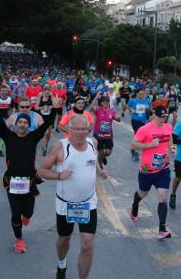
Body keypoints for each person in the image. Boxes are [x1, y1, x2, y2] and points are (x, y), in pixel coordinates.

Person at [38, 115, 107, 279]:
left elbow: (92, 159)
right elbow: (42, 170)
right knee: (64, 239)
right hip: (66, 204)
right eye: (76, 129)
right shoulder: (60, 147)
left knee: (88, 244)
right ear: (69, 130)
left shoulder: (93, 143)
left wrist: (99, 170)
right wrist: (59, 175)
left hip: (88, 203)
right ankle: (62, 263)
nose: (81, 133)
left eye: (84, 129)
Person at [0, 95, 53, 254]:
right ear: (16, 124)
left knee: (28, 213)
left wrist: (57, 109)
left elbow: (47, 124)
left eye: (25, 122)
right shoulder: (9, 136)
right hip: (12, 182)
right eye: (20, 122)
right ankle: (19, 240)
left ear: (28, 125)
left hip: (30, 182)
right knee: (15, 214)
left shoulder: (33, 137)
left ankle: (26, 216)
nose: (23, 124)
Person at [129, 106, 174, 239]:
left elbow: (169, 140)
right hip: (147, 170)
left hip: (163, 168)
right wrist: (149, 145)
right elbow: (133, 145)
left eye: (165, 117)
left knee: (162, 196)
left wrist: (171, 148)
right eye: (161, 117)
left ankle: (162, 229)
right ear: (155, 115)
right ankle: (135, 204)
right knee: (143, 193)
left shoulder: (167, 127)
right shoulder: (145, 129)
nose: (163, 119)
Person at [90, 92, 120, 167]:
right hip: (98, 135)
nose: (106, 103)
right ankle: (100, 164)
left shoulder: (112, 111)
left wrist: (118, 118)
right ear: (101, 103)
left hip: (108, 135)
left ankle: (103, 158)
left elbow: (116, 117)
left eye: (107, 101)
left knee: (108, 152)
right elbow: (91, 106)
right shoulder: (98, 109)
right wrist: (96, 97)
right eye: (104, 101)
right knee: (101, 151)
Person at [127, 88, 152, 161]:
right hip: (135, 120)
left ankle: (134, 149)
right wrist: (131, 110)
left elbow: (151, 110)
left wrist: (148, 109)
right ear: (137, 94)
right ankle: (135, 152)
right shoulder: (133, 100)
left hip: (143, 121)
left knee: (140, 137)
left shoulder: (147, 101)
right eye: (140, 94)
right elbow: (128, 106)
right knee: (138, 136)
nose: (142, 95)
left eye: (143, 94)